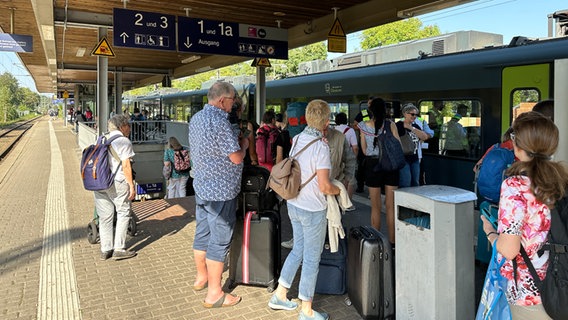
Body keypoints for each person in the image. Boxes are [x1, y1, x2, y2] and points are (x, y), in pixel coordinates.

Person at [481, 111, 568, 320]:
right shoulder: (561, 180)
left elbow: (510, 249)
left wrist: (491, 233)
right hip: (562, 280)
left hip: (531, 292)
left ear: (517, 145)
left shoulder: (515, 186)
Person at [268, 99, 340, 320]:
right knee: (311, 258)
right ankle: (307, 310)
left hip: (294, 204)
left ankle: (279, 295)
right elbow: (324, 185)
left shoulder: (297, 138)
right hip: (312, 209)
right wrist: (339, 191)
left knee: (298, 249)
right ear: (326, 121)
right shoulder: (321, 147)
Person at [188, 81, 248, 308]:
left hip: (202, 187)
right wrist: (244, 145)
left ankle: (201, 277)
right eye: (232, 100)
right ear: (222, 100)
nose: (233, 105)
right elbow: (235, 158)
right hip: (221, 191)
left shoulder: (197, 118)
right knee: (220, 240)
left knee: (202, 232)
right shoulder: (219, 121)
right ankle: (215, 293)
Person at [95, 114, 137, 261]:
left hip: (99, 182)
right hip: (117, 182)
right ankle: (119, 248)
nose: (130, 129)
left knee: (105, 216)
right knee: (124, 212)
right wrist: (131, 185)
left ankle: (106, 249)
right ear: (122, 126)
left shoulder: (101, 138)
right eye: (128, 125)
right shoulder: (123, 141)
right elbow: (126, 165)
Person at [358, 97, 400, 245]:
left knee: (375, 206)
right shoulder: (391, 125)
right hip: (390, 165)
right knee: (390, 206)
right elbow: (398, 146)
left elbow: (364, 150)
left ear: (371, 110)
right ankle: (393, 242)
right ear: (385, 110)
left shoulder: (363, 126)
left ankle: (376, 241)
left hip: (372, 165)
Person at [396, 103, 429, 188]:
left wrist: (411, 128)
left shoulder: (415, 125)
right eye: (412, 114)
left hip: (415, 158)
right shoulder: (398, 125)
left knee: (415, 182)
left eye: (416, 114)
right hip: (403, 158)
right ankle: (403, 201)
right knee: (405, 182)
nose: (414, 116)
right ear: (405, 114)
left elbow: (424, 137)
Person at [334, 111, 358, 210]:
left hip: (336, 158)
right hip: (347, 158)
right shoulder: (350, 130)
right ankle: (347, 204)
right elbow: (355, 147)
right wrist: (354, 158)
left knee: (337, 179)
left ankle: (337, 201)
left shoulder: (333, 130)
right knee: (350, 180)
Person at [353, 97, 372, 193]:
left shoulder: (380, 114)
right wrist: (364, 129)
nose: (370, 105)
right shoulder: (364, 113)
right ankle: (360, 186)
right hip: (364, 143)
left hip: (376, 144)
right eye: (369, 103)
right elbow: (355, 124)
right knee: (361, 166)